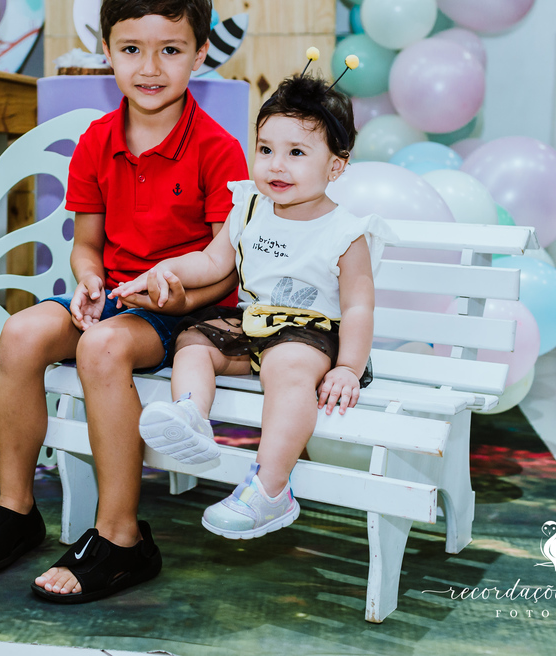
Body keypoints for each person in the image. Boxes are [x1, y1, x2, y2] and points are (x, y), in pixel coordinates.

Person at [0, 0, 248, 602]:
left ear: (199, 53)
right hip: (116, 298)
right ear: (106, 51)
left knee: (103, 346)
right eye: (131, 49)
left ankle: (121, 538)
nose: (149, 68)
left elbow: (225, 264)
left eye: (170, 50)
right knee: (24, 331)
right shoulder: (96, 142)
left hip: (190, 313)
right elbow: (88, 247)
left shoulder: (218, 148)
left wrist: (172, 289)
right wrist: (87, 282)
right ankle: (16, 509)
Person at [113, 67, 392, 539]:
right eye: (265, 150)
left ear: (336, 166)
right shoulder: (247, 205)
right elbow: (210, 259)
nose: (275, 165)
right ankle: (190, 414)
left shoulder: (347, 234)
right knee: (194, 342)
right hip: (254, 322)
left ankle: (270, 488)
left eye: (296, 153)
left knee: (286, 367)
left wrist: (347, 367)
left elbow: (360, 308)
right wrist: (165, 271)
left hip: (312, 334)